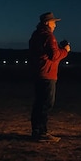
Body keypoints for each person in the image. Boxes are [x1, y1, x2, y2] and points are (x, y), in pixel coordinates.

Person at [28, 12, 70, 142]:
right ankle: (43, 132)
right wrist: (65, 51)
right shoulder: (48, 36)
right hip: (47, 74)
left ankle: (36, 131)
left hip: (38, 73)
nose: (55, 25)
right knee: (46, 103)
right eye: (54, 22)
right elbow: (54, 55)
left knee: (39, 103)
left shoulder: (35, 35)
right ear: (47, 23)